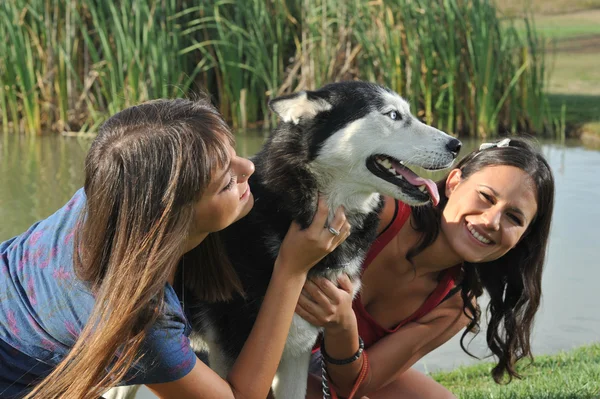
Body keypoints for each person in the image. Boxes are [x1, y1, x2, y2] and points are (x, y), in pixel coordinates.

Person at [0, 97, 352, 399]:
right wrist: (291, 269)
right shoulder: (143, 320)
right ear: (173, 218)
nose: (249, 168)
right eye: (226, 181)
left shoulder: (119, 198)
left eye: (234, 153)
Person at [297, 137, 555, 398]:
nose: (491, 221)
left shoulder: (454, 306)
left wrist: (342, 325)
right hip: (268, 342)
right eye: (486, 197)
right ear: (454, 183)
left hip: (327, 367)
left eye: (514, 217)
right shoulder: (381, 213)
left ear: (523, 237)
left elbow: (358, 384)